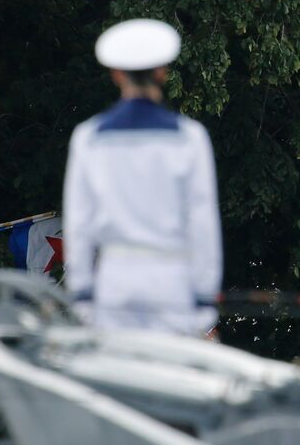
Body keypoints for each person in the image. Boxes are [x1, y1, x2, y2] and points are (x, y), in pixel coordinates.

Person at [62, 19, 222, 336]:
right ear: (163, 71)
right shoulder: (190, 138)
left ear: (115, 73)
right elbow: (202, 221)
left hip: (115, 279)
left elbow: (79, 223)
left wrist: (81, 292)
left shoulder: (88, 138)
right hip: (170, 278)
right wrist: (204, 296)